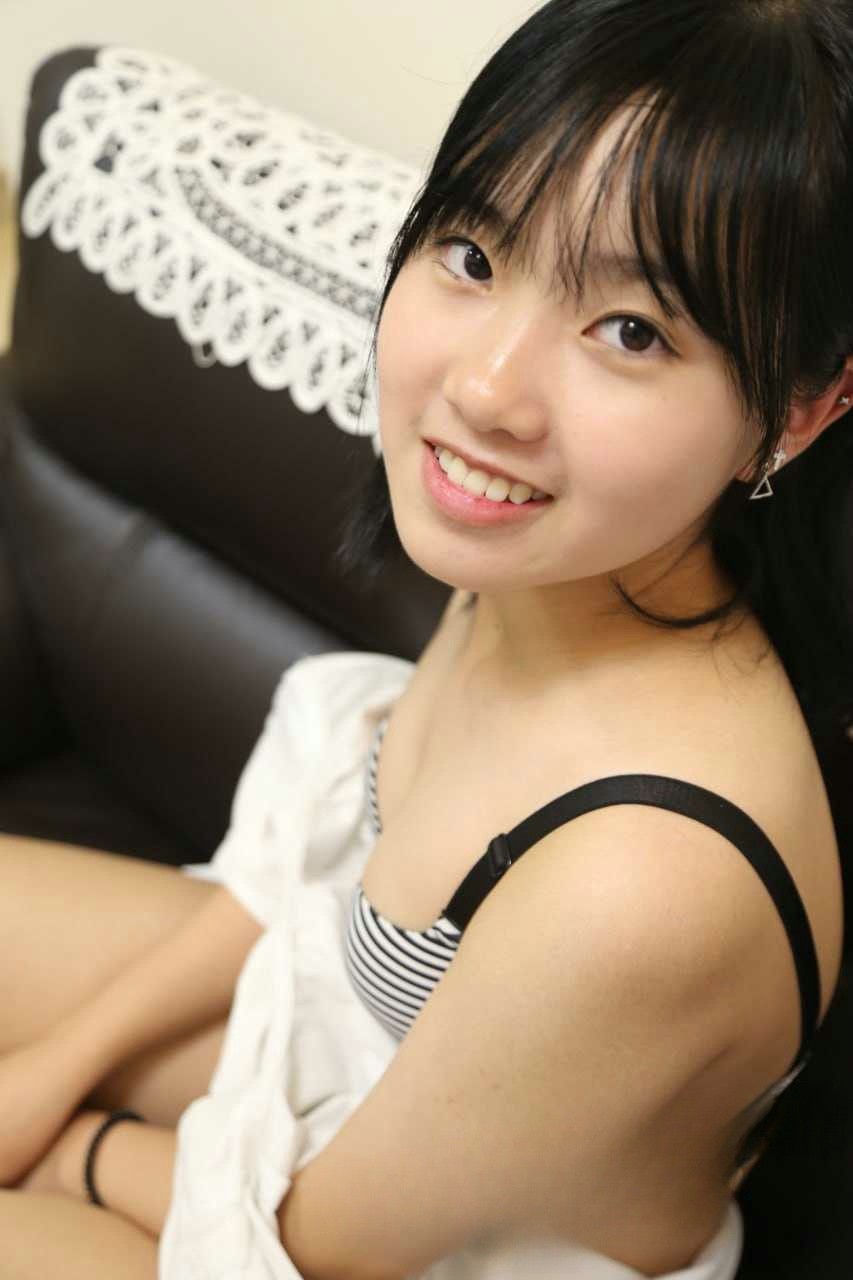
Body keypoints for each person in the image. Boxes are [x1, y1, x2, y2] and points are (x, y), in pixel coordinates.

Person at [1, 0, 852, 1276]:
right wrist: (54, 1064)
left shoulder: (645, 882)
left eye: (630, 330)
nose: (486, 390)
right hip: (342, 1073)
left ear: (796, 412)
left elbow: (317, 1247)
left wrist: (68, 1146)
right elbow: (319, 897)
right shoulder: (558, 564)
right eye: (472, 251)